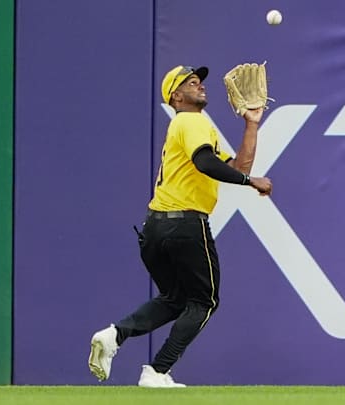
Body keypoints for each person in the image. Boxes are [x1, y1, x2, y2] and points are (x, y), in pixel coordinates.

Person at [87, 65, 272, 388]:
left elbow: (237, 165)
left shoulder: (191, 125)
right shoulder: (191, 121)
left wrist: (251, 124)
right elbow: (207, 163)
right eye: (190, 81)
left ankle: (114, 335)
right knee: (205, 301)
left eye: (199, 80)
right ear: (175, 95)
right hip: (185, 224)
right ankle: (157, 371)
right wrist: (249, 181)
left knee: (175, 299)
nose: (199, 84)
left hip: (155, 227)